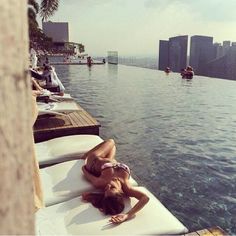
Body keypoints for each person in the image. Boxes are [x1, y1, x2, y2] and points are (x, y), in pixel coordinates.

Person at [81, 139, 149, 224]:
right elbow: (145, 198)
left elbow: (83, 169)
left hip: (94, 161)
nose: (108, 185)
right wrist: (127, 215)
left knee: (111, 141)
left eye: (106, 189)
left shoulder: (100, 182)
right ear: (121, 193)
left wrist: (90, 163)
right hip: (110, 161)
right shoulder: (127, 187)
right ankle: (107, 158)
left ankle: (85, 155)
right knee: (113, 147)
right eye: (112, 187)